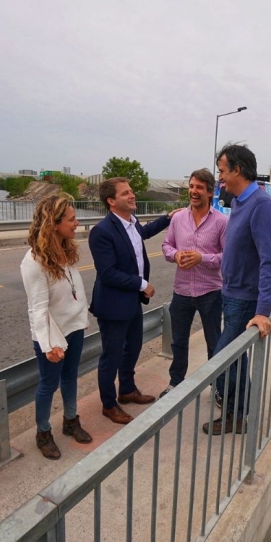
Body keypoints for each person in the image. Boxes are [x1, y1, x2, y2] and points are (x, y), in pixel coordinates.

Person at [203, 144, 271, 436]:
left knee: (222, 360)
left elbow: (269, 262)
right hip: (230, 294)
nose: (219, 177)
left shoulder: (261, 205)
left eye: (222, 171)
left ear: (237, 170)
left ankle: (235, 413)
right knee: (237, 359)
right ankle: (237, 416)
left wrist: (262, 312)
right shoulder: (238, 202)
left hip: (245, 300)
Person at [88, 177, 177, 425]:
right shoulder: (102, 231)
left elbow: (143, 233)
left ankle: (127, 389)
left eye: (131, 191)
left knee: (133, 347)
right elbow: (107, 273)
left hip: (131, 301)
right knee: (112, 355)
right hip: (113, 305)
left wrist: (168, 218)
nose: (132, 195)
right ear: (111, 201)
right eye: (125, 193)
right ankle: (109, 404)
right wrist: (142, 284)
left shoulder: (132, 222)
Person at [20, 194, 92, 460]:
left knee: (70, 377)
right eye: (71, 219)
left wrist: (80, 319)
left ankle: (71, 420)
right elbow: (37, 308)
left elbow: (71, 291)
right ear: (54, 223)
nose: (76, 223)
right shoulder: (34, 262)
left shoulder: (66, 250)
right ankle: (43, 433)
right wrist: (48, 345)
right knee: (48, 385)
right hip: (52, 335)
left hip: (74, 328)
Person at [159, 168, 227, 398]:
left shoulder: (221, 222)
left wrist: (202, 258)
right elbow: (166, 245)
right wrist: (175, 255)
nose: (193, 191)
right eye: (191, 186)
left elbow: (228, 257)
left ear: (210, 192)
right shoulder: (178, 218)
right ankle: (176, 382)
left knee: (214, 343)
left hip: (211, 292)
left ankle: (217, 386)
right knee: (178, 342)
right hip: (182, 291)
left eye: (199, 187)